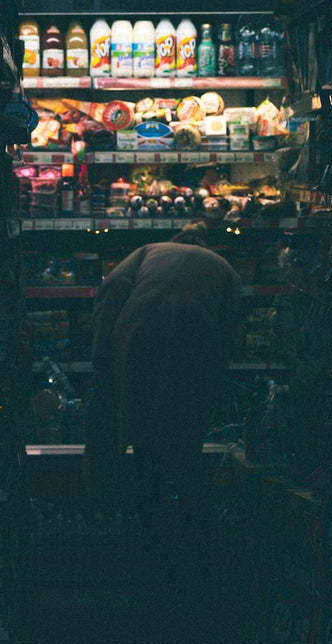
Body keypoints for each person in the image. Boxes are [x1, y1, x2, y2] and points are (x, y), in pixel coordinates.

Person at [82, 220, 241, 614]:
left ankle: (145, 529)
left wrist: (102, 357)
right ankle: (191, 550)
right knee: (181, 431)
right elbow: (230, 327)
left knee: (135, 422)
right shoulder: (224, 268)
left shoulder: (148, 251)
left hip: (138, 327)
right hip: (195, 334)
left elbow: (111, 292)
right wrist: (216, 375)